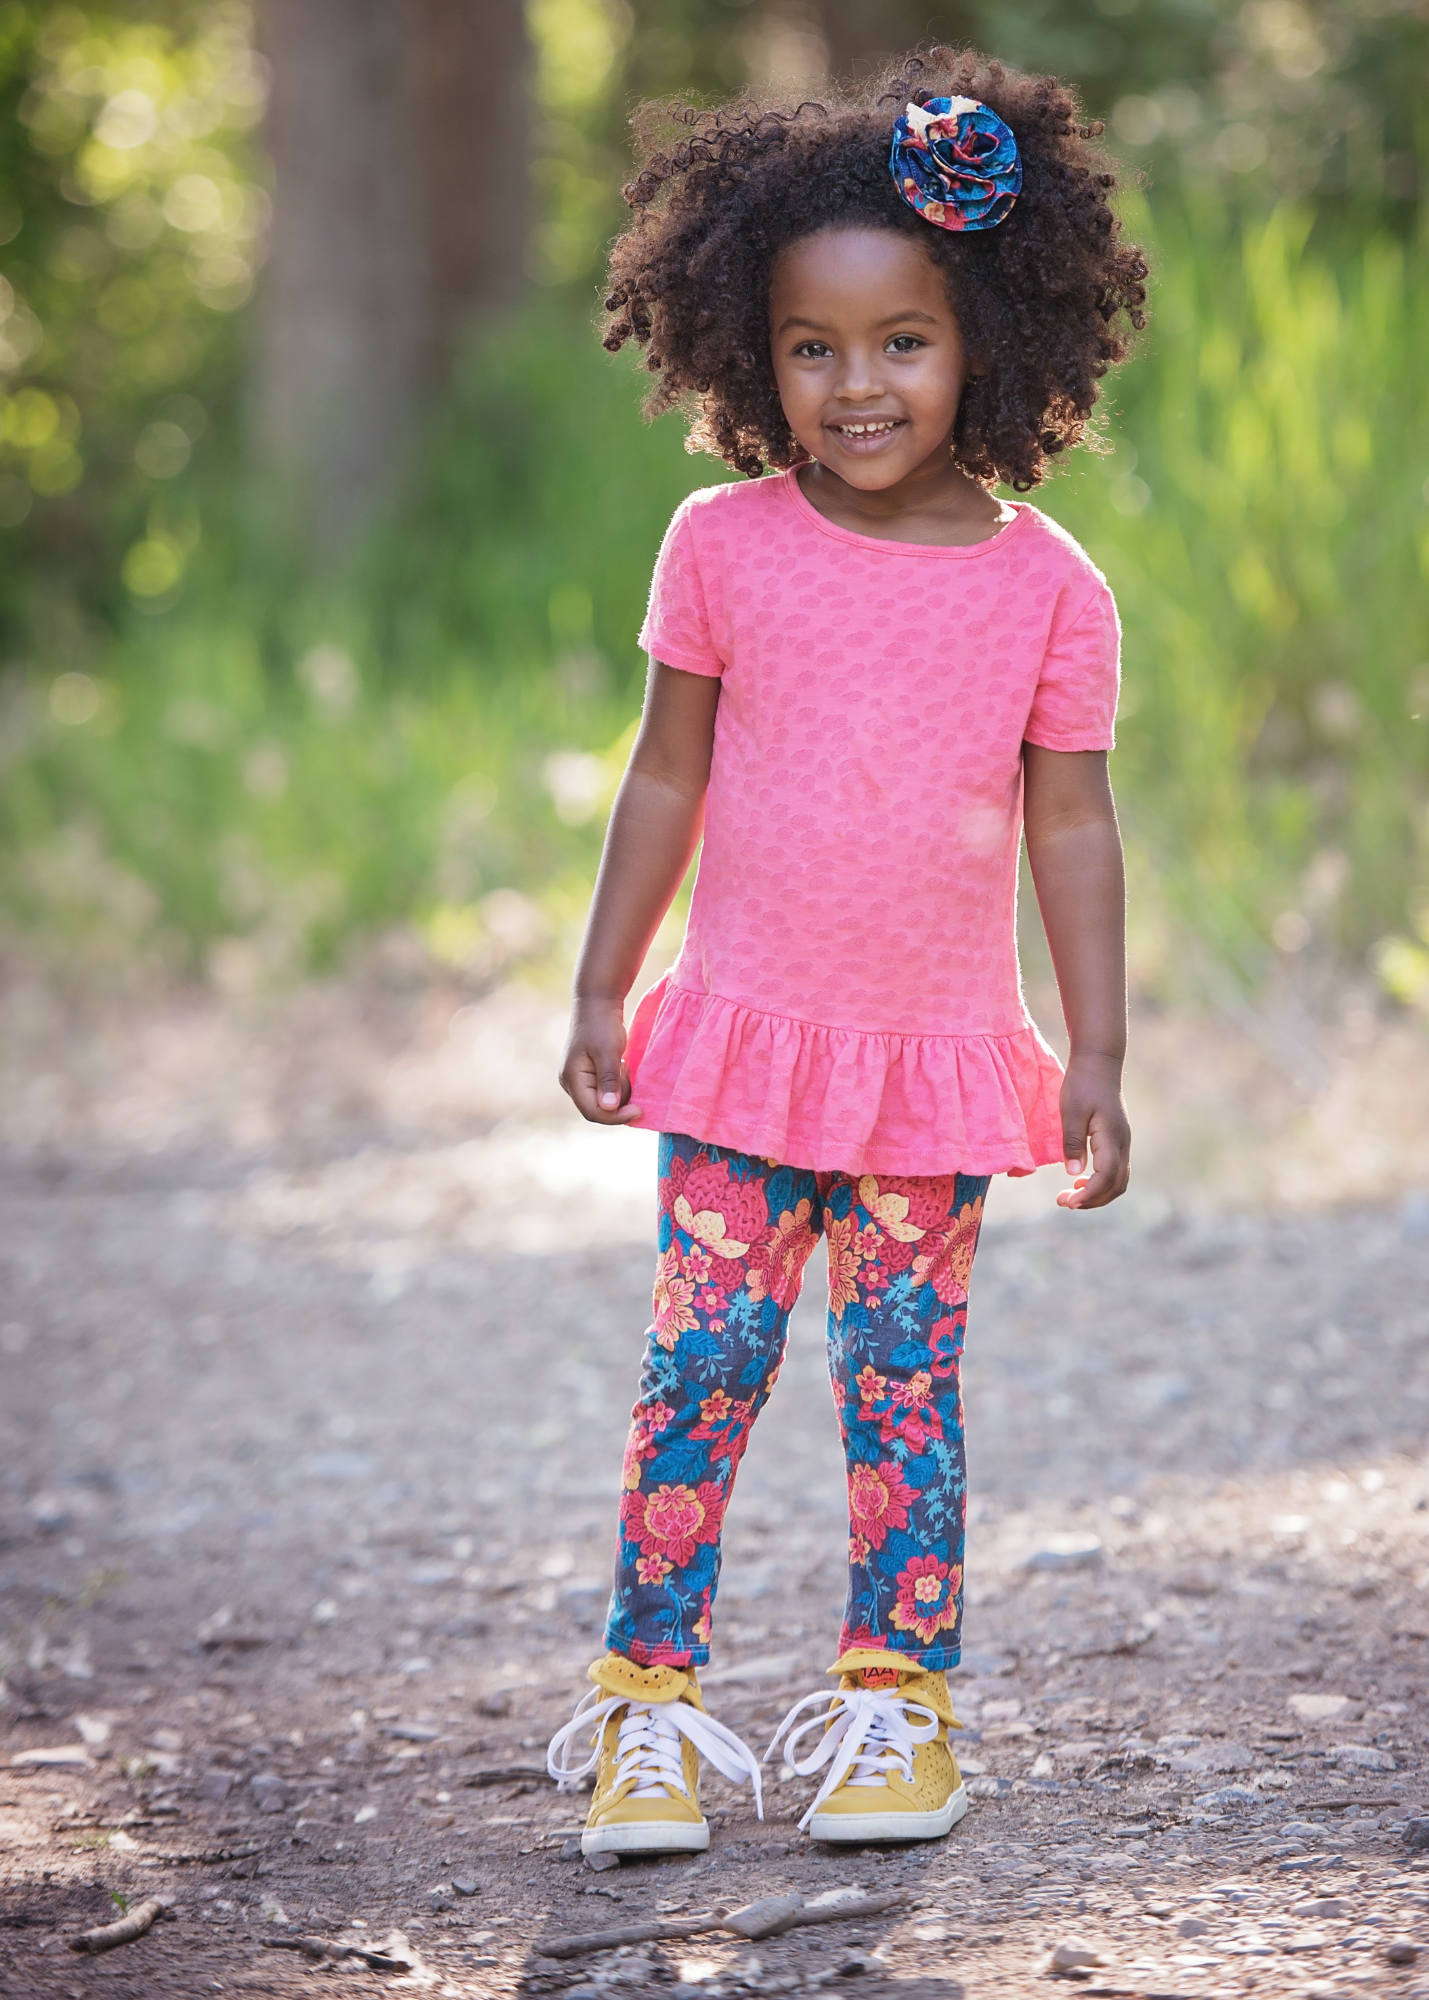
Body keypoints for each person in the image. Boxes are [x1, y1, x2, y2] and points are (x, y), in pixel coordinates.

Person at [545, 48, 1146, 1855]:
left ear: (990, 344)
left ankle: (900, 1713)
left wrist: (1097, 1052)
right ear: (752, 349)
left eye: (904, 341)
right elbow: (666, 777)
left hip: (933, 1069)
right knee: (700, 1375)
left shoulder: (1052, 588)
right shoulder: (721, 544)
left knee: (903, 1398)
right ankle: (648, 1709)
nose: (859, 382)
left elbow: (1073, 827)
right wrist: (599, 981)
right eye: (814, 345)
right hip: (737, 1054)